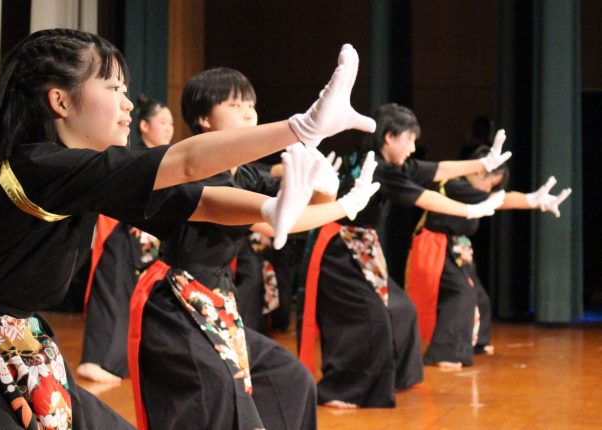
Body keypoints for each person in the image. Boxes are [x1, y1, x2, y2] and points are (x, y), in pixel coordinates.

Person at [0, 29, 376, 429]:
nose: (127, 105)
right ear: (60, 101)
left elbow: (201, 201)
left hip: (15, 346)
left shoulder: (83, 178)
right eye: (113, 88)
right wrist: (300, 128)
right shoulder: (39, 166)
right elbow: (187, 163)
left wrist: (271, 207)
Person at [127, 66, 379, 430]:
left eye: (251, 105)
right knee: (217, 396)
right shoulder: (195, 171)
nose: (248, 113)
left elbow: (301, 213)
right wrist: (346, 205)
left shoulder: (244, 172)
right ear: (204, 118)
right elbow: (278, 220)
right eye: (235, 105)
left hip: (216, 294)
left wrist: (326, 187)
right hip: (175, 303)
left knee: (290, 379)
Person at [299, 103, 510, 409]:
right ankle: (339, 389)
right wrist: (471, 209)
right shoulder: (378, 167)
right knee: (369, 317)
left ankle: (398, 376)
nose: (413, 147)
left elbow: (437, 169)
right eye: (409, 139)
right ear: (389, 137)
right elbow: (426, 197)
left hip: (361, 247)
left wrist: (482, 164)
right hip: (337, 251)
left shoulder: (390, 165)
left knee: (401, 310)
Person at [406, 145, 571, 369]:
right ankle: (445, 353)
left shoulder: (466, 188)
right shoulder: (454, 184)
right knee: (460, 293)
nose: (488, 189)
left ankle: (477, 342)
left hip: (456, 245)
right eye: (489, 183)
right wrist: (532, 200)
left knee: (477, 295)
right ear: (478, 172)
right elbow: (499, 200)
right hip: (434, 244)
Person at [77, 95, 172, 383]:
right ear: (144, 126)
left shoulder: (167, 157)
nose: (169, 128)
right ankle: (97, 360)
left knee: (141, 298)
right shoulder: (135, 154)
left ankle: (128, 359)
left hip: (149, 240)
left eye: (171, 123)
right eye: (162, 122)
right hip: (122, 233)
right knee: (112, 293)